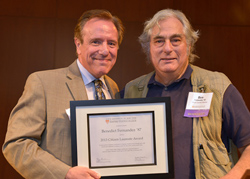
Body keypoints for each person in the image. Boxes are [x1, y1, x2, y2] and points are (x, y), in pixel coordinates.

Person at [122, 9, 250, 179]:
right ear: (148, 47)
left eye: (176, 40)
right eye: (159, 41)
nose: (167, 48)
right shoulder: (131, 91)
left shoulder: (217, 86)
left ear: (189, 46)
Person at [2, 9, 124, 179]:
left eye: (111, 43)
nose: (105, 51)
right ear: (78, 44)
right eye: (96, 42)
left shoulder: (113, 88)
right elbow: (16, 145)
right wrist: (64, 173)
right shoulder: (43, 83)